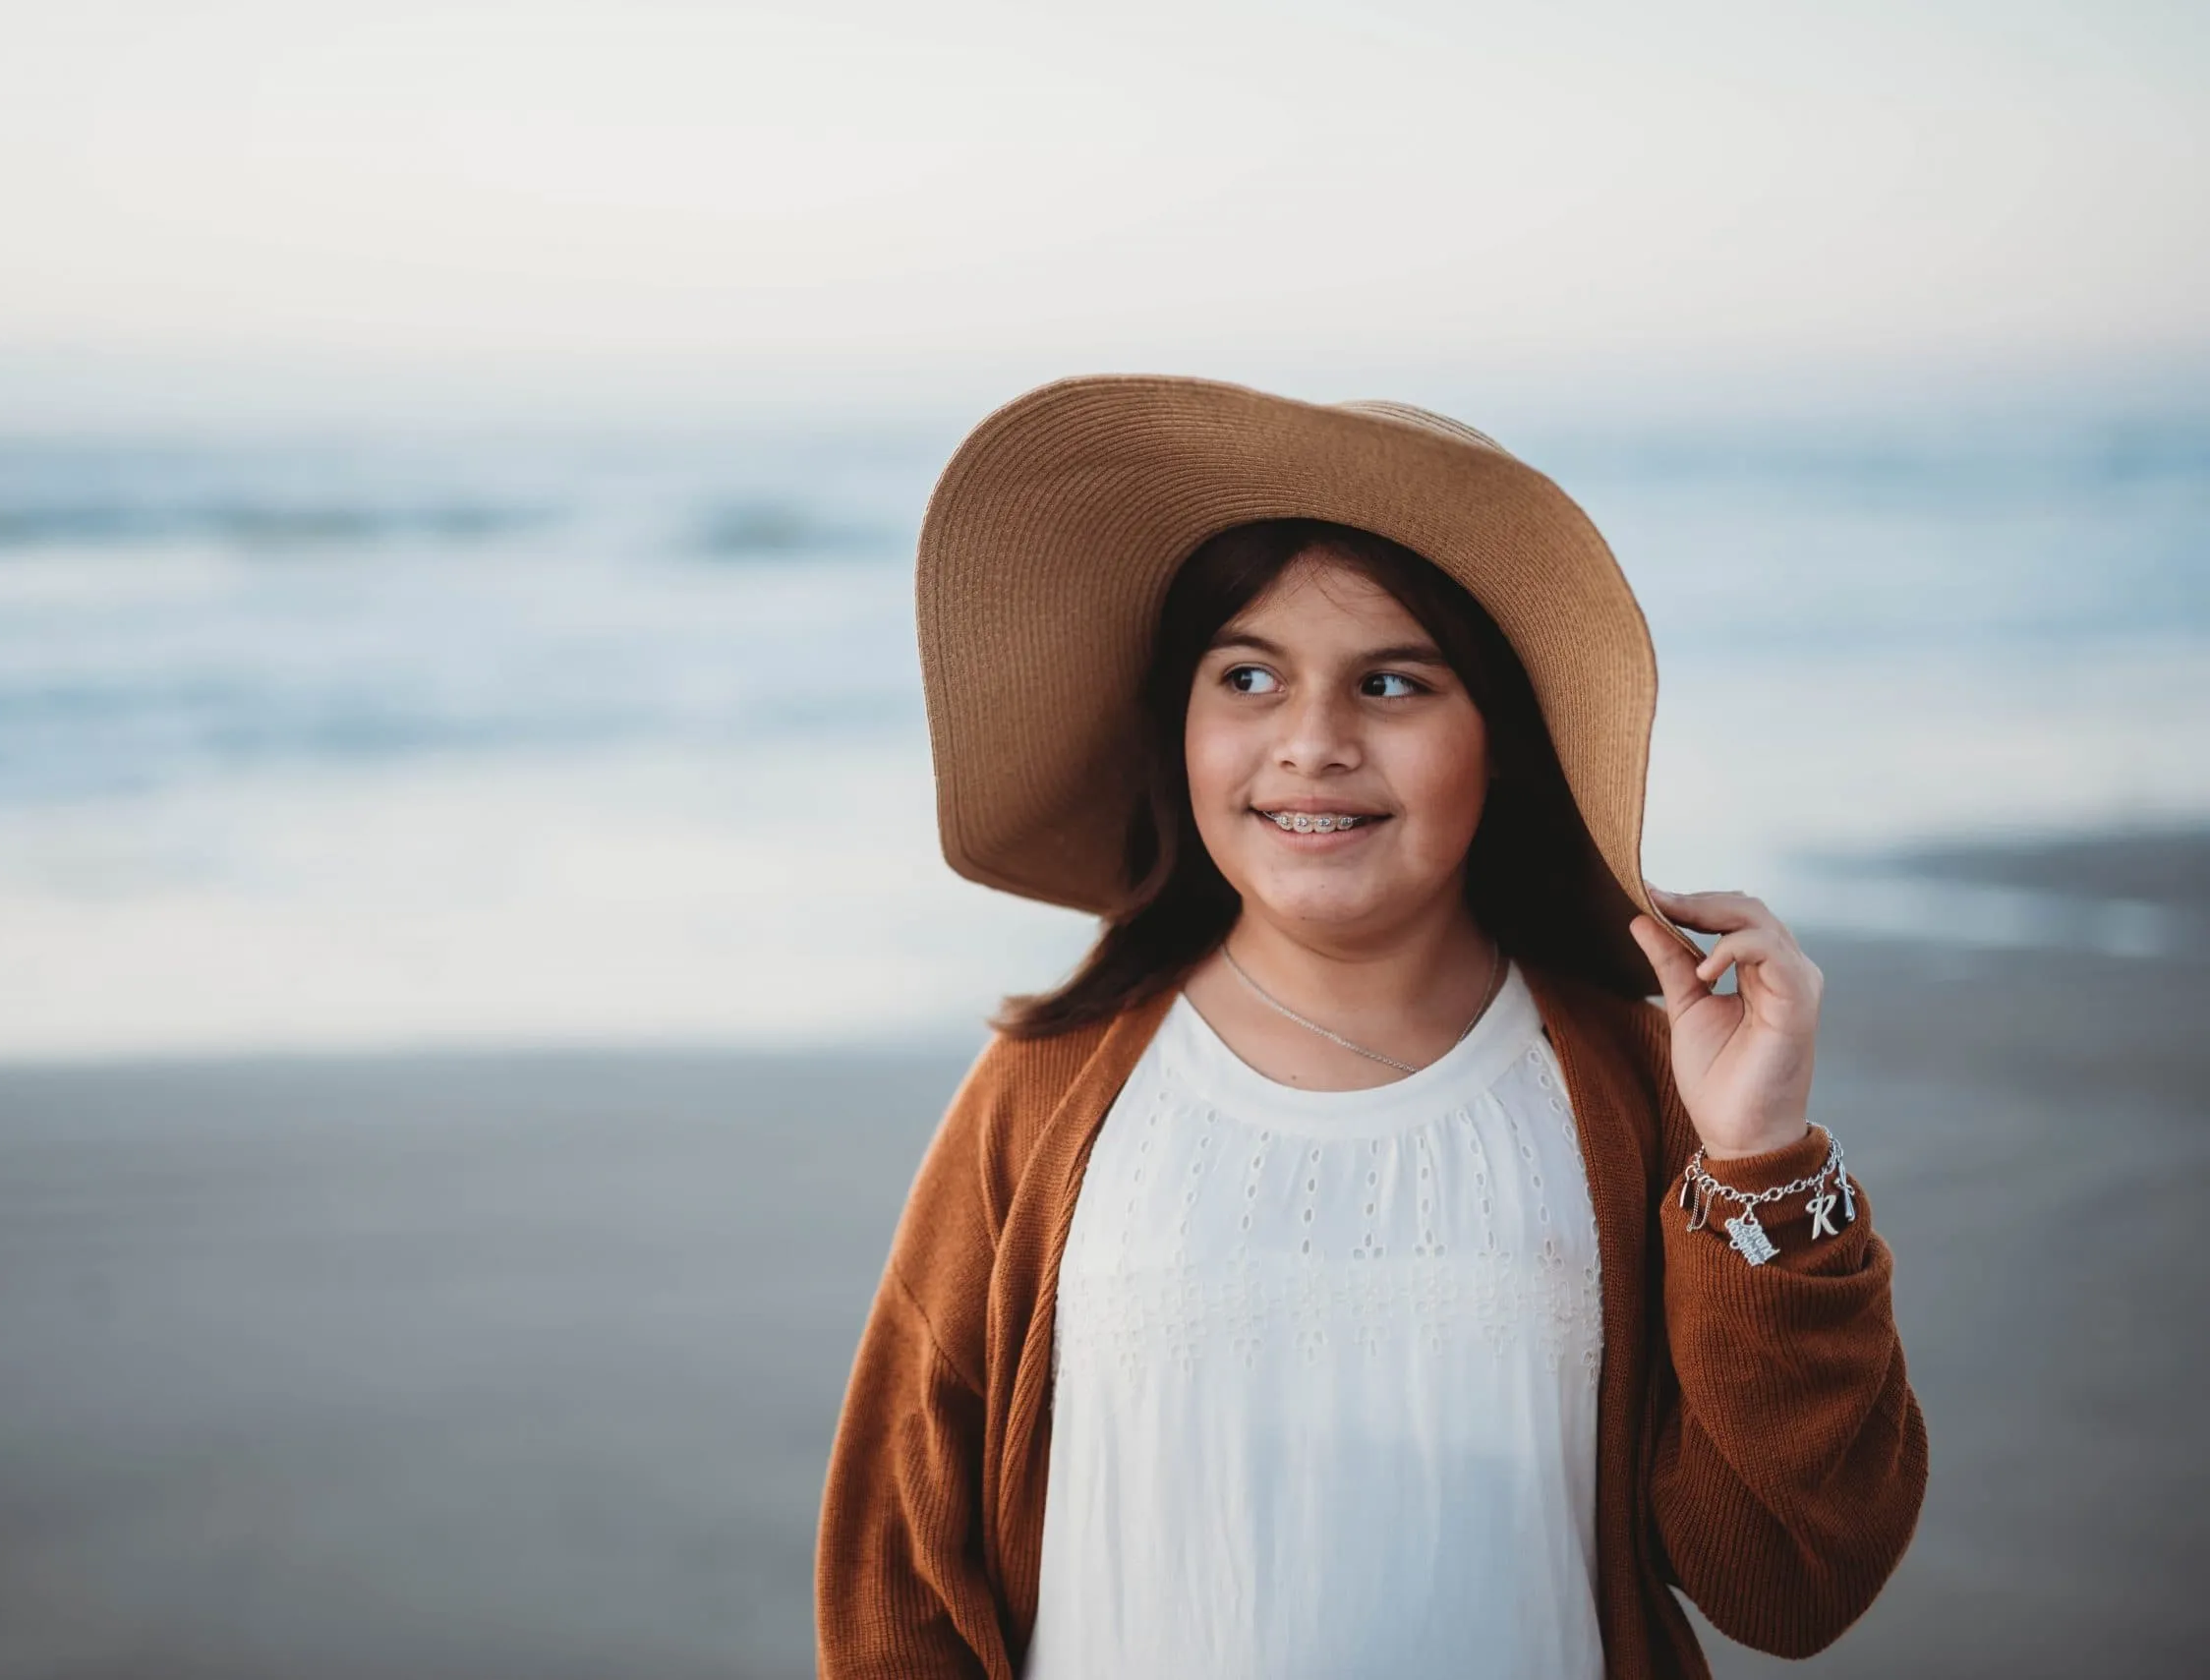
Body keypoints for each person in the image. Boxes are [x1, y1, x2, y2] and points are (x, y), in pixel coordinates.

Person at [814, 377, 1928, 1679]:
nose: (1313, 744)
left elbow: (1796, 1579)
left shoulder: (1636, 1093)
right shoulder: (1044, 1092)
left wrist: (1760, 1166)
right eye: (1248, 678)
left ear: (1502, 741)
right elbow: (901, 1577)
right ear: (1176, 726)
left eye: (1393, 684)